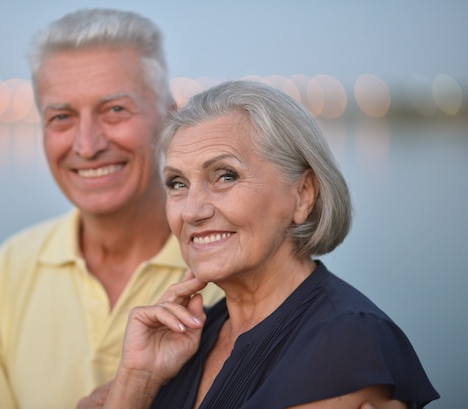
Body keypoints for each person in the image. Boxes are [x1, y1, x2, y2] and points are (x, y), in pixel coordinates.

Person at [0, 8, 222, 409]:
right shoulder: (13, 269)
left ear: (169, 117)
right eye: (62, 117)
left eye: (115, 110)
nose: (87, 145)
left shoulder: (228, 265)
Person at [102, 80, 440, 409]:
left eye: (225, 175)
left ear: (303, 194)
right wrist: (137, 379)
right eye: (177, 183)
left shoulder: (346, 341)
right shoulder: (197, 334)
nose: (191, 211)